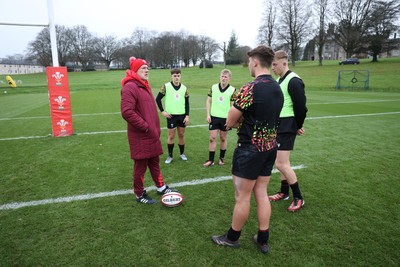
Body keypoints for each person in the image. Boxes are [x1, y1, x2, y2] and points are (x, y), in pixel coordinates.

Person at [211, 45, 284, 254]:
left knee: (242, 197)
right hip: (270, 147)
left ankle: (232, 238)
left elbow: (229, 120)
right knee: (261, 193)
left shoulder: (250, 88)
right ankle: (263, 238)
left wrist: (239, 121)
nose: (249, 65)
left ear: (255, 61)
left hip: (250, 149)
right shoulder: (277, 87)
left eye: (250, 61)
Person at [120, 57, 177, 204]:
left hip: (151, 134)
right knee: (140, 166)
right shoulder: (130, 87)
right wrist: (145, 126)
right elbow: (127, 111)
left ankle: (160, 187)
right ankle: (139, 194)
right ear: (135, 71)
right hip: (141, 135)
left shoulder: (143, 85)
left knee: (154, 162)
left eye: (147, 68)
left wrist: (152, 129)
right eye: (143, 68)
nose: (146, 70)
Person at [269, 50, 308, 212]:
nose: (272, 68)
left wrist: (298, 125)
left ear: (284, 63)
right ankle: (284, 192)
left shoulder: (294, 81)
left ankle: (298, 197)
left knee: (280, 163)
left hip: (287, 126)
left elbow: (301, 108)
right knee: (282, 162)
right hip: (280, 125)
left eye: (275, 64)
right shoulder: (279, 80)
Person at [156, 68, 190, 164]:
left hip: (182, 115)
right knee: (171, 136)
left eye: (178, 76)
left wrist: (187, 115)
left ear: (180, 76)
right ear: (171, 76)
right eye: (175, 76)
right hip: (171, 116)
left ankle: (182, 153)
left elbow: (187, 103)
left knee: (181, 135)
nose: (176, 77)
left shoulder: (184, 88)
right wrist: (163, 111)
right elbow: (158, 99)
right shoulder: (166, 86)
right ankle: (170, 156)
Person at [203, 69, 236, 167]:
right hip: (214, 117)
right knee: (212, 138)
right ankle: (211, 160)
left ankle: (221, 158)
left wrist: (230, 119)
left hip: (225, 119)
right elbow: (208, 101)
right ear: (220, 77)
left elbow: (233, 106)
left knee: (223, 138)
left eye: (226, 77)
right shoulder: (213, 87)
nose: (223, 78)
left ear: (229, 78)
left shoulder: (232, 90)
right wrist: (208, 115)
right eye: (222, 76)